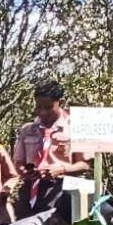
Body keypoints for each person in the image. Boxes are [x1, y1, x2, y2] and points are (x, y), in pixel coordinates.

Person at [13, 80, 90, 216]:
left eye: (48, 107)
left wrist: (61, 169)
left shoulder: (76, 127)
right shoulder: (28, 130)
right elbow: (18, 163)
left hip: (61, 190)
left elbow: (84, 165)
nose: (42, 112)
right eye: (38, 107)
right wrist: (26, 171)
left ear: (61, 102)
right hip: (30, 191)